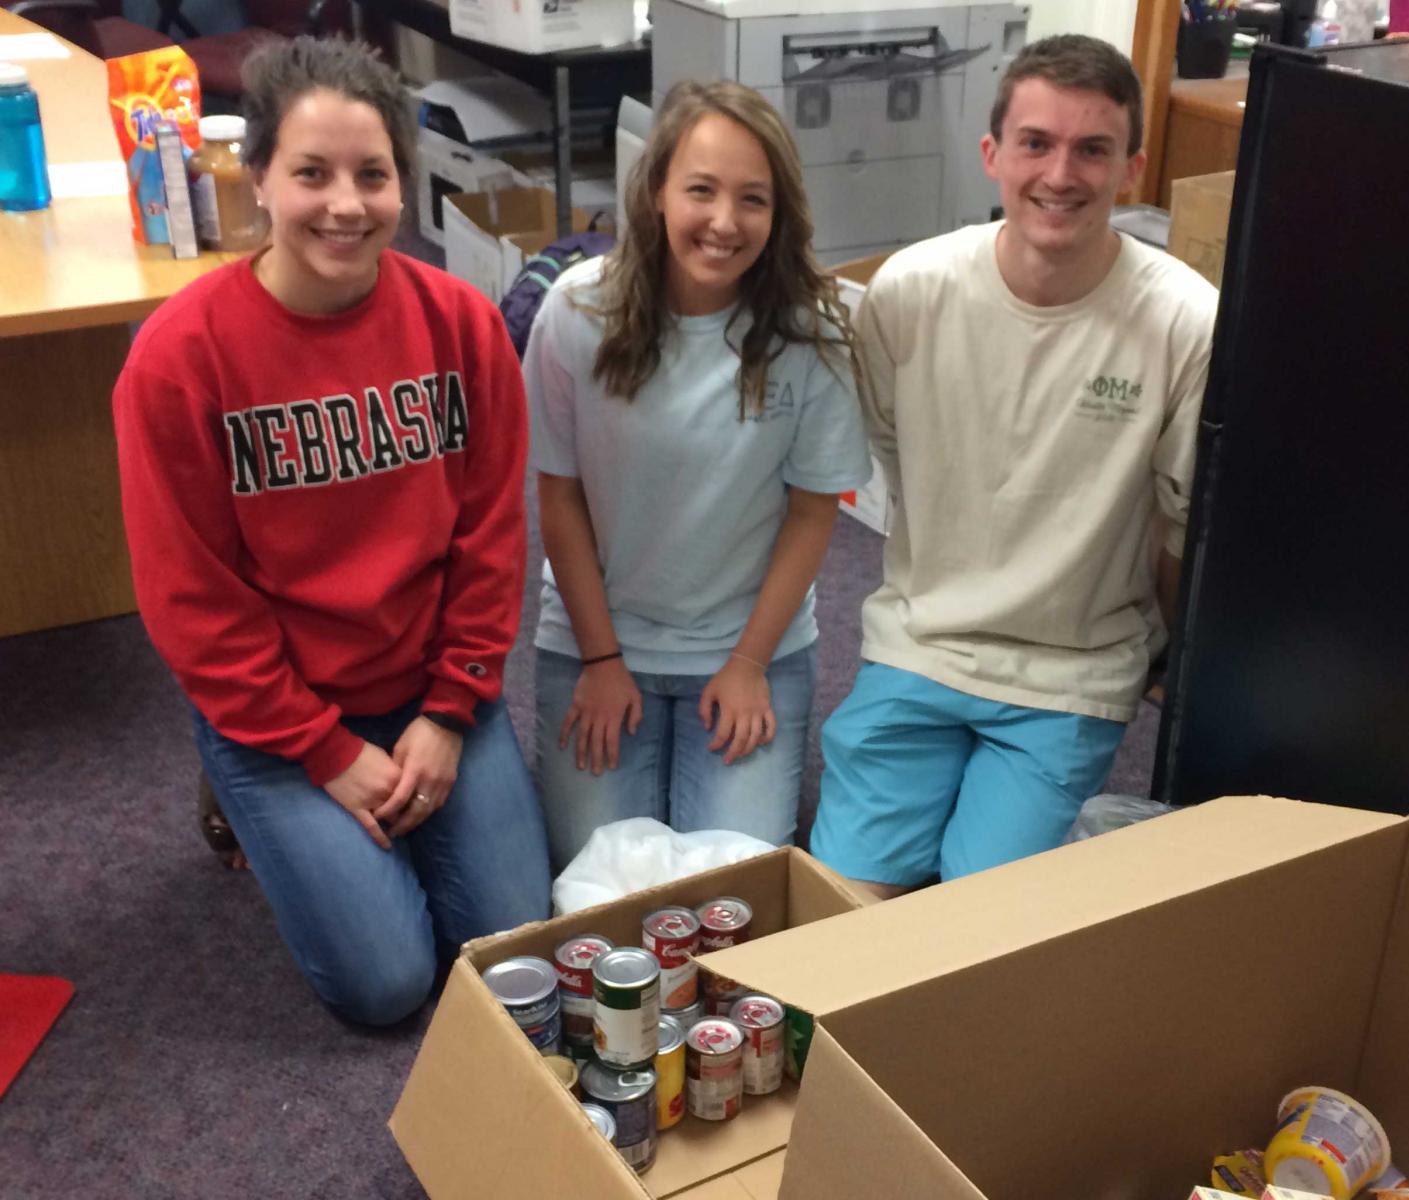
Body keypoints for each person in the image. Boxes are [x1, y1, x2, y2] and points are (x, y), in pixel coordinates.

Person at [112, 37, 551, 1026]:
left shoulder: (463, 327)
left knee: (507, 946)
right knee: (389, 985)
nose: (344, 205)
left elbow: (489, 540)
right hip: (281, 709)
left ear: (405, 185)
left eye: (372, 174)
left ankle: (365, 811)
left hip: (430, 689)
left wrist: (450, 711)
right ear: (259, 178)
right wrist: (317, 749)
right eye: (310, 173)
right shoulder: (178, 362)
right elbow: (190, 599)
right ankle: (235, 777)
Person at [809, 34, 1220, 897]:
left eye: (1092, 149)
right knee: (846, 911)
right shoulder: (910, 292)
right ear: (993, 154)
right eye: (1036, 143)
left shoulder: (1184, 322)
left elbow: (1183, 530)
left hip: (1069, 672)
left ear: (1132, 169)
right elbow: (891, 452)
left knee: (978, 927)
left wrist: (1165, 666)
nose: (1060, 174)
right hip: (920, 642)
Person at [525, 79, 871, 871]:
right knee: (598, 891)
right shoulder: (578, 313)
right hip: (599, 635)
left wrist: (749, 663)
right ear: (655, 194)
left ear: (779, 212)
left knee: (732, 897)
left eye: (753, 199)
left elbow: (813, 515)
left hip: (749, 645)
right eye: (701, 191)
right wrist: (602, 660)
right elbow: (560, 497)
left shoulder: (811, 333)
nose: (724, 222)